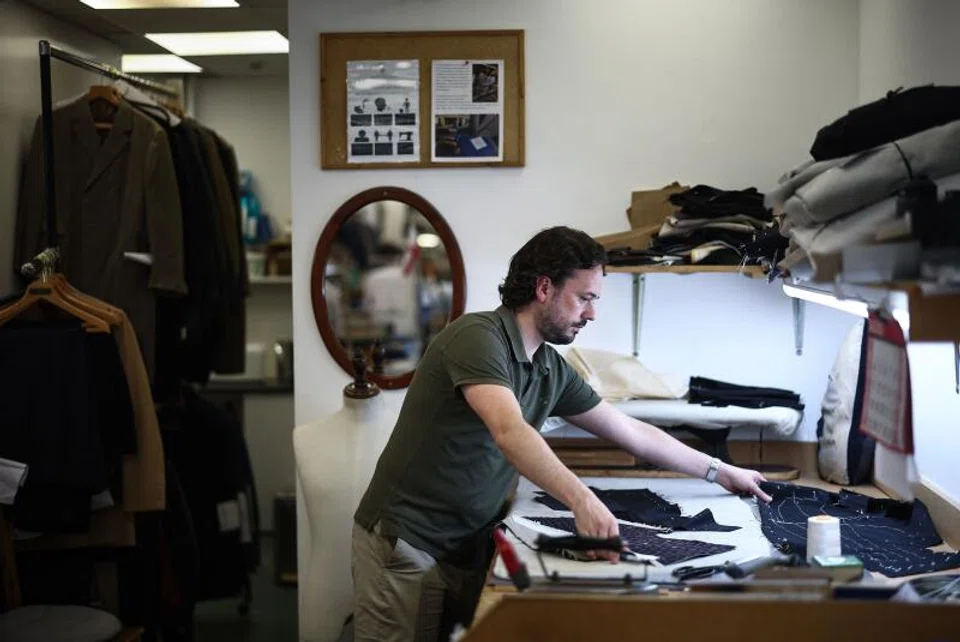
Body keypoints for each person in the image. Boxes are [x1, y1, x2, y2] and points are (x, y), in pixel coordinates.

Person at [351, 226, 772, 641]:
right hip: (407, 543)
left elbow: (629, 431)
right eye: (584, 298)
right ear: (544, 288)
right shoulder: (478, 338)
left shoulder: (549, 368)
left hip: (464, 544)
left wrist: (720, 470)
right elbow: (509, 431)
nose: (591, 314)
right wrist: (581, 500)